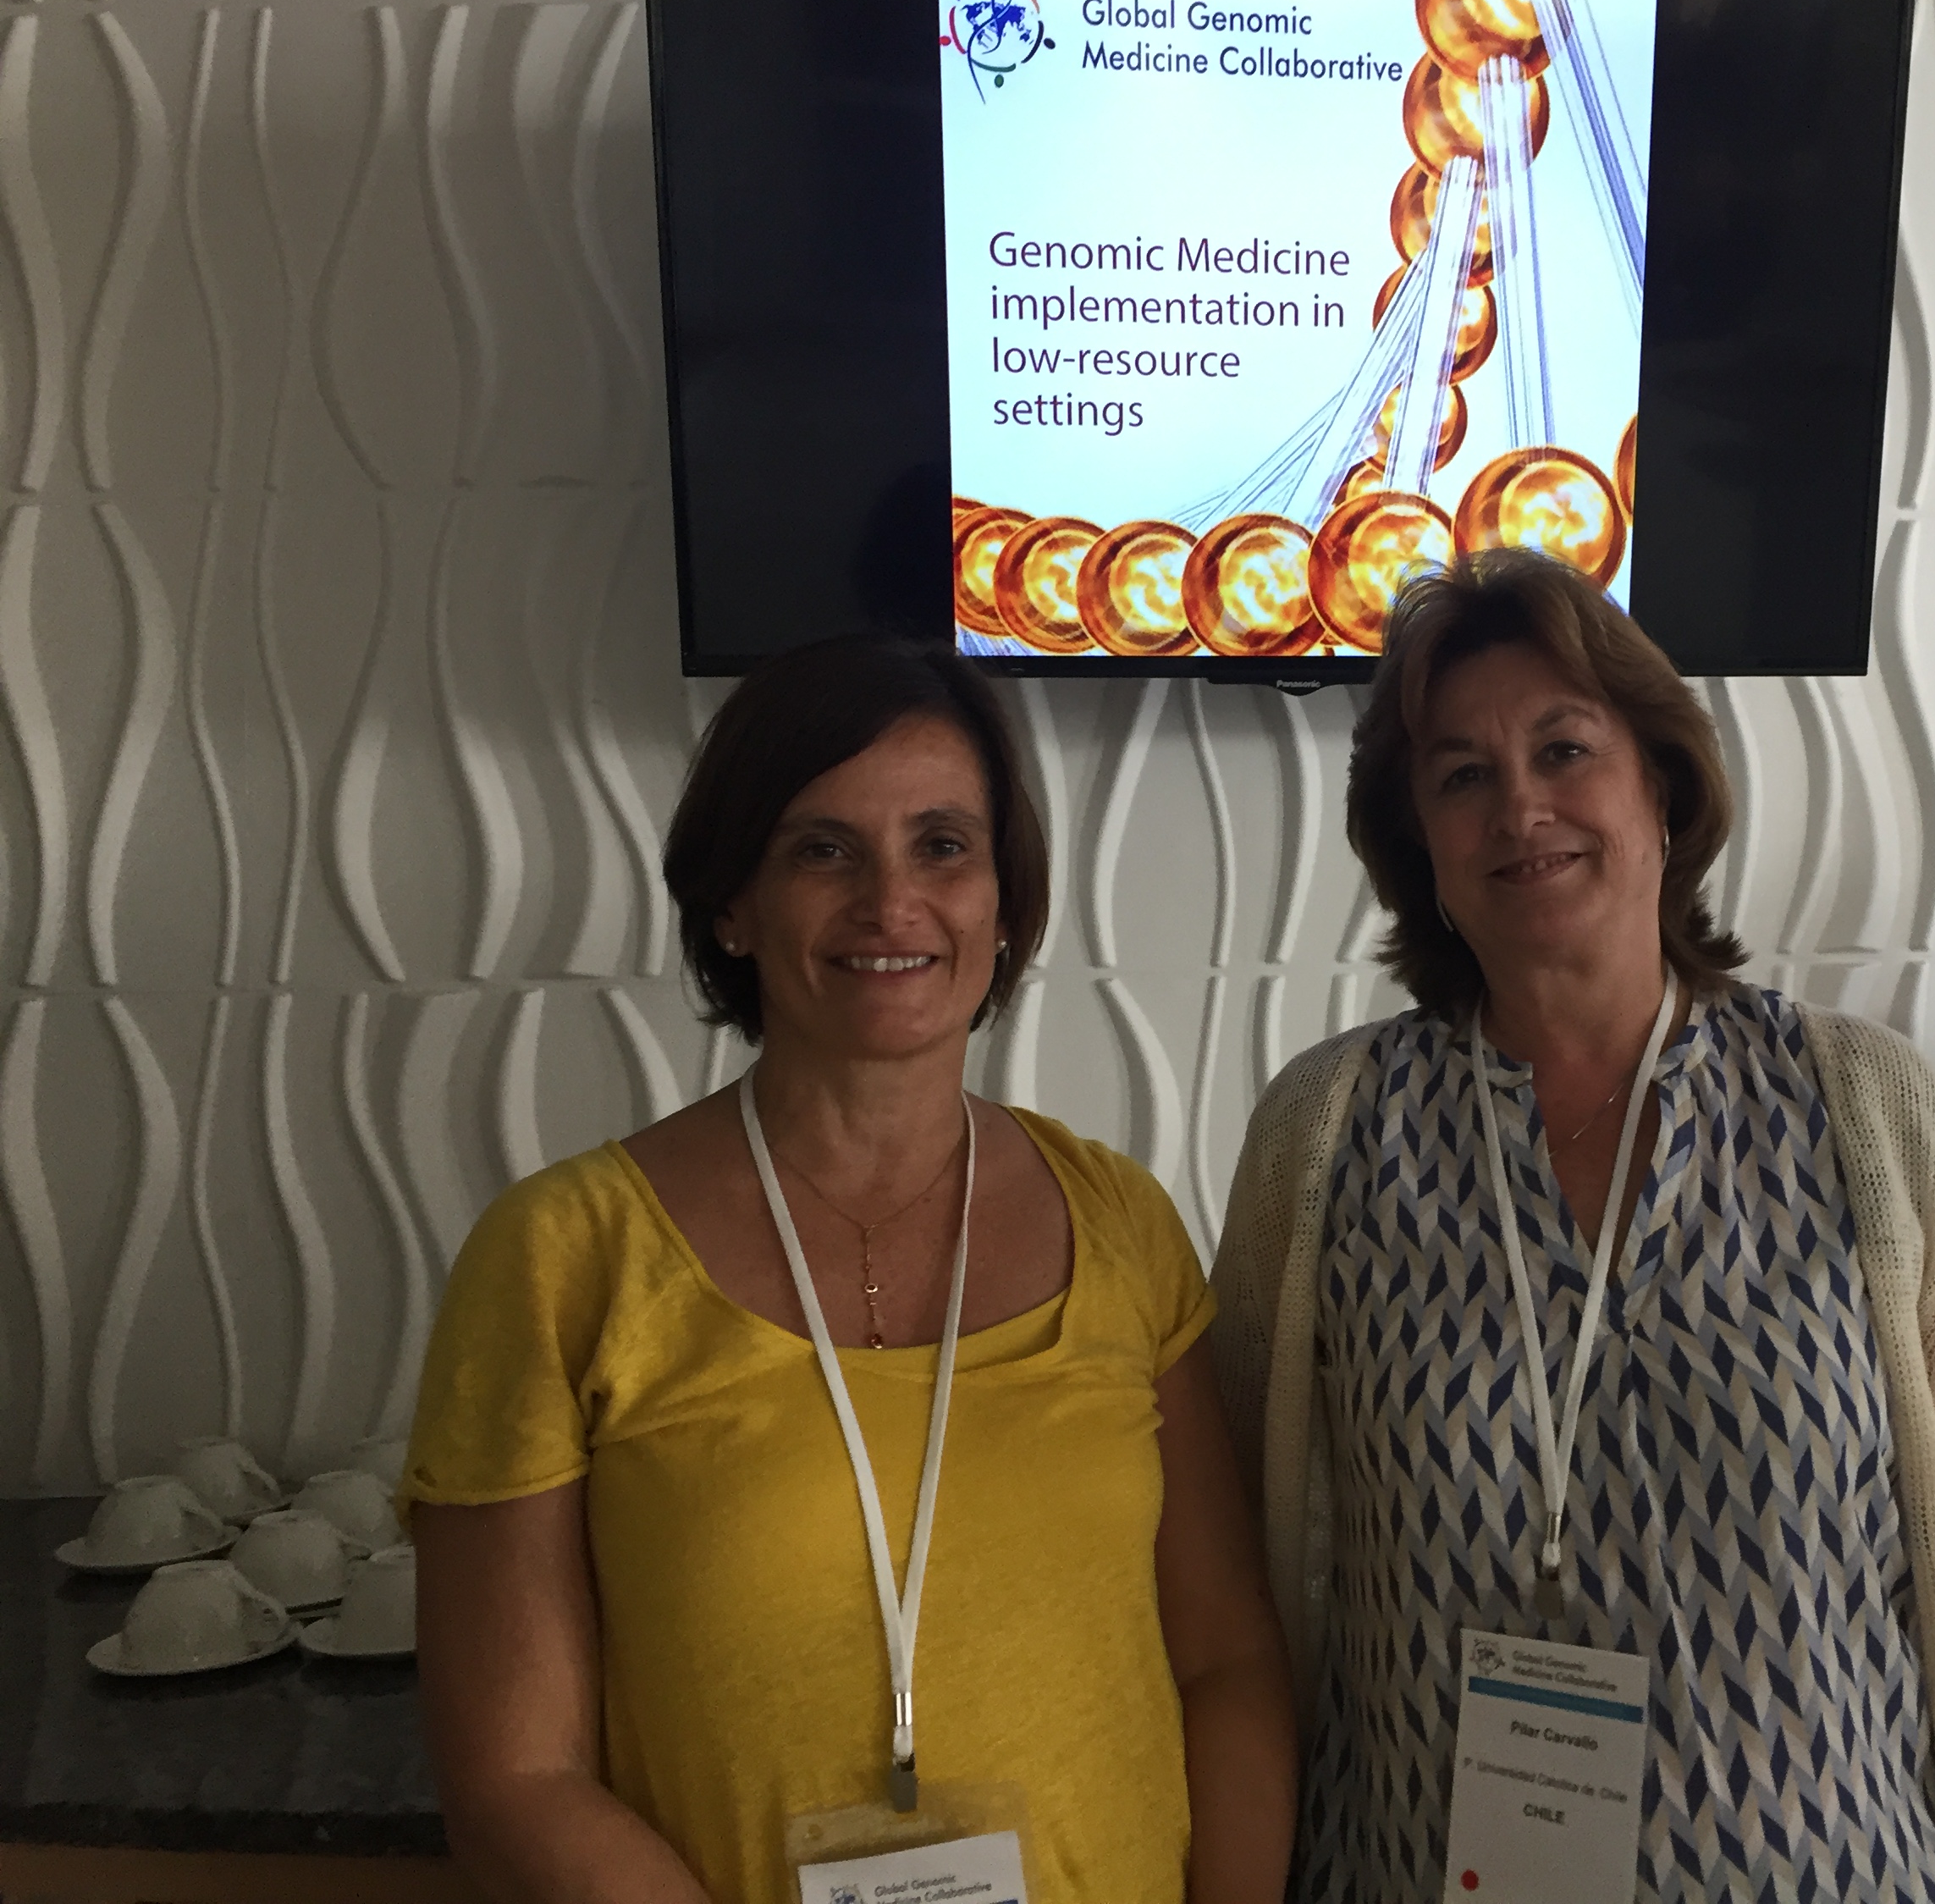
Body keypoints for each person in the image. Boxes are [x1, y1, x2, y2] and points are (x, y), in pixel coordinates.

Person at [1210, 550, 1935, 1903]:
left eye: (1563, 750)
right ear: (1420, 843)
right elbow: (1232, 1599)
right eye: (1461, 775)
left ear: (1661, 786)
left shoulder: (1867, 1108)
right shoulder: (1325, 1136)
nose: (1521, 807)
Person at [405, 635, 1293, 1904]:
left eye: (944, 846)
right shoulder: (561, 1258)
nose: (891, 902)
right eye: (823, 850)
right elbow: (516, 1779)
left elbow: (1226, 1663)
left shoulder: (1122, 1225)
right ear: (734, 904)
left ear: (1004, 902)